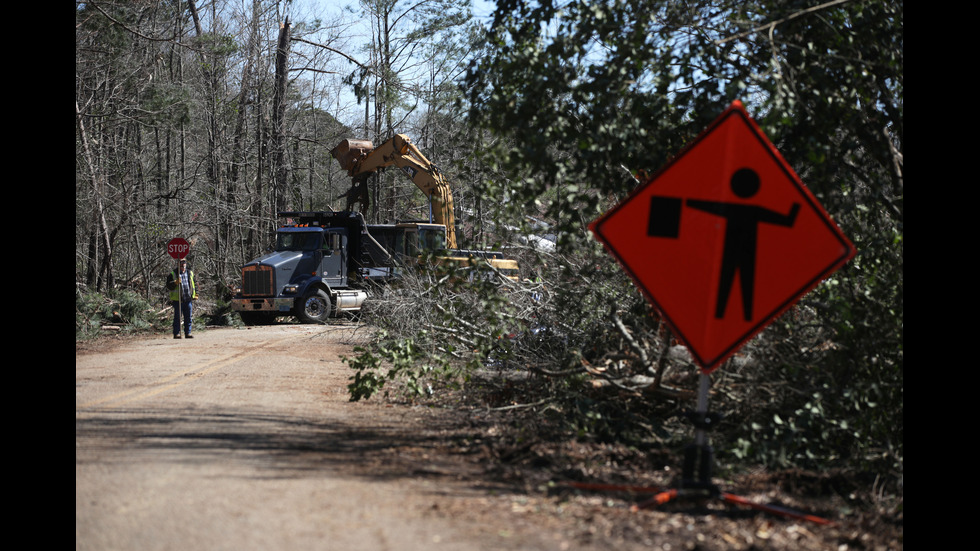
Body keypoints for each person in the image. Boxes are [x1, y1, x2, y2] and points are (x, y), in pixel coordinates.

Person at [166, 259, 198, 339]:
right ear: (178, 264)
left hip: (188, 299)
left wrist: (196, 293)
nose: (183, 265)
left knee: (188, 317)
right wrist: (175, 283)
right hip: (178, 300)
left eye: (184, 263)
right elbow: (168, 286)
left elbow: (195, 283)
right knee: (177, 317)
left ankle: (188, 333)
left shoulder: (190, 273)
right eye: (181, 263)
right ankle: (176, 333)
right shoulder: (173, 274)